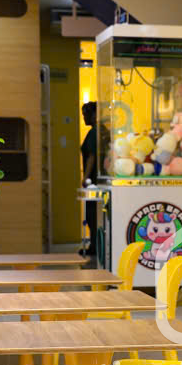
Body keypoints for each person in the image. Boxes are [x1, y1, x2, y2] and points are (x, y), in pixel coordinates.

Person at [79, 102, 104, 257]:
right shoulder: (101, 131)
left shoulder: (95, 132)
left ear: (95, 114)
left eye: (86, 114)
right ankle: (96, 245)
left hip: (93, 181)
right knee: (95, 215)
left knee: (92, 215)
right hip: (98, 180)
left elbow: (92, 156)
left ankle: (95, 246)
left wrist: (86, 176)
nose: (84, 118)